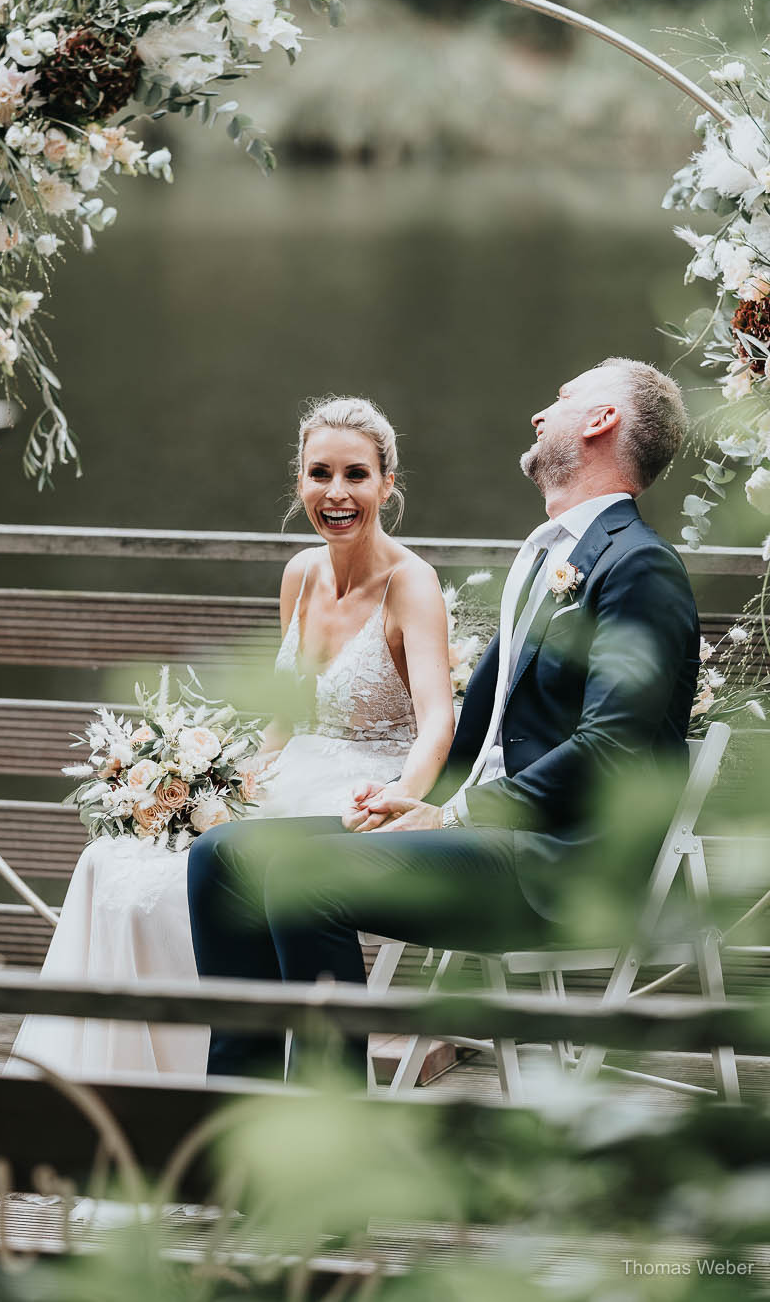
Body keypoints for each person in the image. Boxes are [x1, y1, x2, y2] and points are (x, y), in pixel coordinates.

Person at [190, 358, 699, 1082]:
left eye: (561, 399)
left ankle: (325, 1154)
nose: (539, 414)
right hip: (484, 835)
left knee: (307, 879)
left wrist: (455, 814)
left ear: (600, 422)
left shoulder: (639, 568)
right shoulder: (552, 553)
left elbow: (611, 748)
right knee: (225, 858)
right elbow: (491, 726)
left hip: (553, 863)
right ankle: (232, 1121)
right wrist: (415, 797)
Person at [11, 397, 453, 1077]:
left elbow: (436, 722)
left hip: (356, 789)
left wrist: (401, 796)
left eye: (356, 475)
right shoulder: (301, 573)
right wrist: (213, 777)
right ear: (299, 479)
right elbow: (286, 715)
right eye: (319, 473)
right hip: (288, 773)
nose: (336, 493)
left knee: (180, 883)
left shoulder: (411, 584)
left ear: (388, 484)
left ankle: (218, 1076)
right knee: (113, 862)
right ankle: (119, 1078)